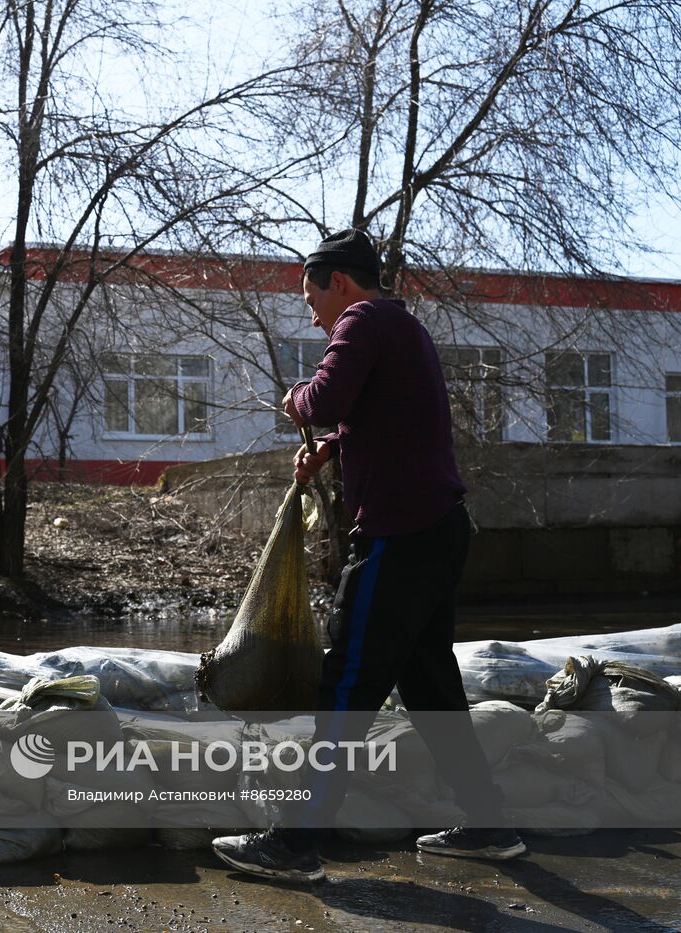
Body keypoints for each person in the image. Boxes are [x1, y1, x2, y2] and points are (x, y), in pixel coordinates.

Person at [211, 228, 525, 883]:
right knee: (431, 686)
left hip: (398, 536)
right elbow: (381, 413)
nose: (311, 311)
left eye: (311, 295)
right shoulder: (400, 325)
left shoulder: (361, 317)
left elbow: (325, 395)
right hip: (440, 528)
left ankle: (294, 844)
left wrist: (296, 402)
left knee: (347, 682)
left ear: (342, 282)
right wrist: (332, 444)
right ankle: (490, 822)